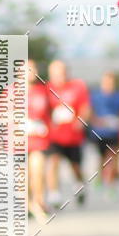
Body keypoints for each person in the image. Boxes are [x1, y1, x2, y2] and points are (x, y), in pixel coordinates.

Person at [46, 60, 90, 208]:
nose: (59, 76)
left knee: (76, 167)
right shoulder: (47, 88)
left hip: (73, 136)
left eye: (62, 73)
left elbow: (86, 107)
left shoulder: (78, 86)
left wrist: (81, 120)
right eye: (55, 74)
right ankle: (54, 194)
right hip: (54, 136)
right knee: (53, 162)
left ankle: (79, 185)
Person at [89, 72, 119, 189]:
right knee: (101, 157)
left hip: (114, 132)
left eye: (111, 83)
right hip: (100, 132)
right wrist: (97, 121)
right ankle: (100, 178)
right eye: (106, 82)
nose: (108, 85)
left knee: (112, 156)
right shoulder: (96, 96)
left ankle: (111, 184)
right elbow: (91, 112)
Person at [27, 59, 51, 220]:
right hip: (18, 142)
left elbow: (52, 111)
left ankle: (39, 201)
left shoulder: (44, 90)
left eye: (33, 68)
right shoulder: (10, 92)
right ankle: (27, 204)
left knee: (38, 170)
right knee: (23, 176)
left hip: (39, 139)